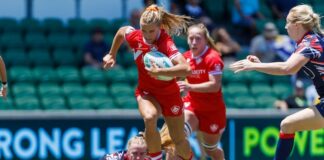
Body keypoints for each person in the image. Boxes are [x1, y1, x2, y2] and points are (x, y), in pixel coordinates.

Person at [230, 4, 324, 160]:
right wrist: (260, 64)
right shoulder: (313, 39)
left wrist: (255, 66)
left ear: (297, 25)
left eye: (288, 22)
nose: (285, 27)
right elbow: (288, 67)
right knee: (288, 125)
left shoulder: (309, 43)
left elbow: (288, 68)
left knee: (287, 125)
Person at [102, 4, 192, 160]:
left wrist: (160, 72)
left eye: (151, 31)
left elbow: (186, 69)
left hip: (170, 94)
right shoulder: (136, 37)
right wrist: (112, 54)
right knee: (150, 118)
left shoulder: (166, 43)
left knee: (179, 141)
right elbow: (122, 31)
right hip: (146, 92)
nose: (147, 34)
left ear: (159, 27)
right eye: (144, 30)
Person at [160, 23, 226, 160]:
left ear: (206, 40)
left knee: (211, 151)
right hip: (192, 106)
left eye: (198, 38)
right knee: (175, 140)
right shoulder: (185, 58)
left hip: (212, 111)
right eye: (191, 38)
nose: (194, 42)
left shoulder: (213, 58)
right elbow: (173, 78)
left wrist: (189, 87)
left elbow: (215, 85)